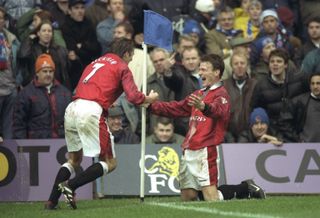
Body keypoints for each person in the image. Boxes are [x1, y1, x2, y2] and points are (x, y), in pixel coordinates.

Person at [45, 38, 158, 210]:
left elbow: (92, 88)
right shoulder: (122, 67)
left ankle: (51, 201)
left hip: (73, 107)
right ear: (126, 53)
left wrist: (105, 101)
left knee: (74, 159)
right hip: (90, 111)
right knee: (111, 163)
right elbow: (134, 97)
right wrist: (149, 99)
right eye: (131, 56)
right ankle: (71, 185)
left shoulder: (94, 63)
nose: (131, 60)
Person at [149, 53, 265, 201]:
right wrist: (151, 105)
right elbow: (176, 108)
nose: (200, 73)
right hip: (189, 150)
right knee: (188, 197)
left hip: (206, 149)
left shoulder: (222, 95)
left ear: (216, 72)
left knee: (211, 198)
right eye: (200, 69)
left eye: (204, 69)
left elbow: (218, 111)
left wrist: (204, 106)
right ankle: (243, 188)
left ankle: (244, 188)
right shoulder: (199, 93)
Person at [13, 54, 72, 139]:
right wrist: (21, 146)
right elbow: (19, 123)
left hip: (61, 144)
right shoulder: (26, 94)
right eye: (44, 71)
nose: (48, 74)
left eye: (51, 71)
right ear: (37, 73)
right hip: (36, 145)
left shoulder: (65, 93)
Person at [223, 51, 257, 142]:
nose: (239, 66)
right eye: (236, 63)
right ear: (231, 66)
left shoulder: (255, 85)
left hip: (249, 134)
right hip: (228, 134)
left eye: (242, 63)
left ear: (247, 65)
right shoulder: (223, 86)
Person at [0, 7, 20, 140]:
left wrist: (17, 82)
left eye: (1, 18)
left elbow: (17, 63)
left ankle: (9, 159)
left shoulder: (10, 38)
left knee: (8, 132)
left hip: (10, 88)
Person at [290, 73, 320, 142]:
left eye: (318, 83)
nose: (315, 86)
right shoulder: (299, 102)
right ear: (309, 86)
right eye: (313, 84)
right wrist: (297, 139)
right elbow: (286, 123)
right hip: (306, 147)